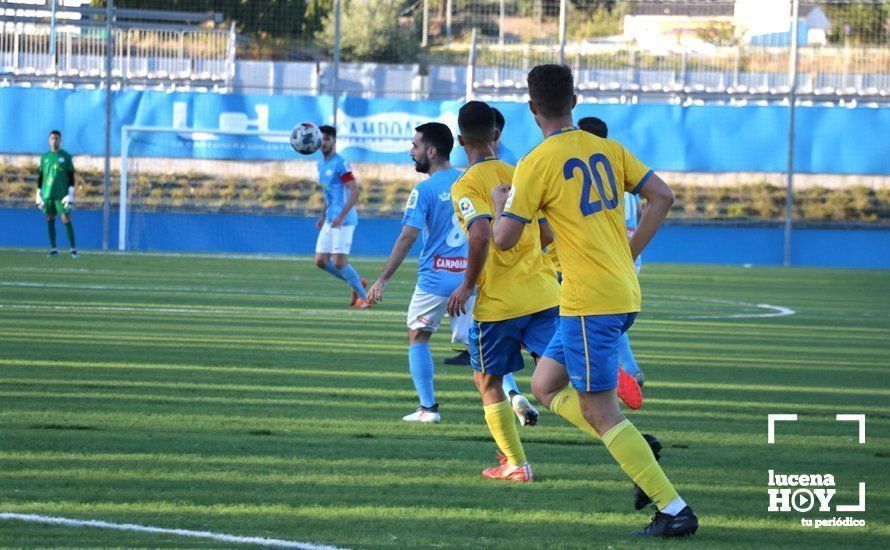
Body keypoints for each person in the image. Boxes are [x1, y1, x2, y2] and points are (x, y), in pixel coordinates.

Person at [491, 64, 697, 537]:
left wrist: (504, 202)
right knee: (544, 384)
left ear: (531, 108)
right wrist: (629, 251)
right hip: (616, 292)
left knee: (600, 412)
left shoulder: (536, 163)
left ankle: (674, 509)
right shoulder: (606, 148)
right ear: (575, 101)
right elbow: (661, 196)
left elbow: (503, 240)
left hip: (590, 302)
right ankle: (637, 446)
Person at [447, 101, 561, 481]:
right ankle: (624, 433)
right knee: (558, 375)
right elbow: (547, 233)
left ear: (460, 140)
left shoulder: (465, 184)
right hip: (545, 294)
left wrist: (466, 285)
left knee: (488, 381)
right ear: (497, 135)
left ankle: (515, 464)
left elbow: (479, 233)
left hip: (500, 303)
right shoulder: (520, 173)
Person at [367, 123, 473, 423]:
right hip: (469, 279)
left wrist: (383, 278)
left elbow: (407, 236)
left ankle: (428, 409)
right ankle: (513, 395)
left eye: (414, 146)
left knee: (418, 336)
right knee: (479, 344)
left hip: (435, 280)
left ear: (431, 150)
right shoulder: (469, 180)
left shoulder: (424, 190)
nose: (411, 152)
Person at [577, 116, 645, 385]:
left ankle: (621, 368)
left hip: (608, 253)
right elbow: (642, 207)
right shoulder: (620, 169)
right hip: (629, 252)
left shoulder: (593, 175)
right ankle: (627, 367)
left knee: (596, 314)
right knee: (613, 313)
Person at [313, 125, 369, 309]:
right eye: (321, 138)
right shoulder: (321, 164)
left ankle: (365, 299)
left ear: (334, 141)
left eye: (327, 138)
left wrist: (341, 216)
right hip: (330, 219)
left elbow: (354, 191)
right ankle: (356, 282)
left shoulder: (341, 163)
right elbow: (328, 193)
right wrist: (323, 216)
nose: (324, 142)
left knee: (339, 262)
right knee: (320, 261)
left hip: (343, 221)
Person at [36, 130, 78, 258]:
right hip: (48, 194)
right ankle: (54, 249)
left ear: (61, 140)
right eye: (52, 138)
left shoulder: (66, 156)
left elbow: (71, 176)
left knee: (66, 219)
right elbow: (40, 176)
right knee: (49, 219)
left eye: (57, 138)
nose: (54, 140)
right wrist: (38, 193)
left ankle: (73, 249)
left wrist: (70, 193)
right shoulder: (44, 157)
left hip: (62, 195)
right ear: (49, 140)